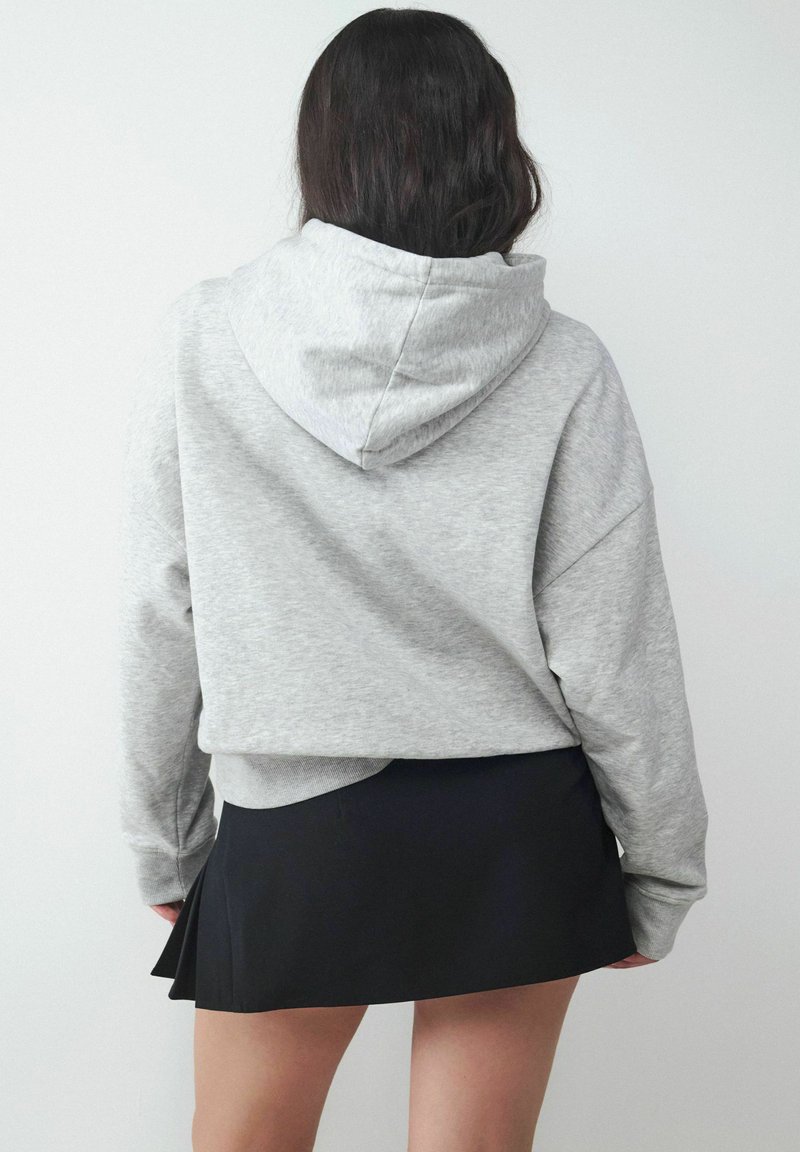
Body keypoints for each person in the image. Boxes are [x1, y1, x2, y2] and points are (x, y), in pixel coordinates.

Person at [117, 8, 709, 1151]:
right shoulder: (562, 359)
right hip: (514, 823)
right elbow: (612, 637)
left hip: (294, 816)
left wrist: (167, 839)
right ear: (492, 146)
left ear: (323, 148)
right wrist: (661, 864)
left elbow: (162, 610)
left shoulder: (205, 335)